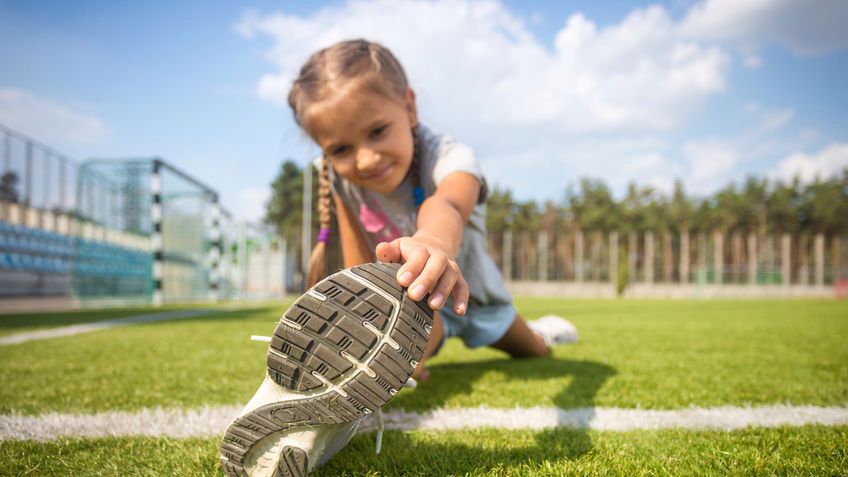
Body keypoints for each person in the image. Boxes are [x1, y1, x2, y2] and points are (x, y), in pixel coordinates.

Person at [219, 39, 577, 477]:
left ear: (408, 107)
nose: (365, 159)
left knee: (535, 355)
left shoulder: (453, 157)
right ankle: (299, 434)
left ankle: (545, 332)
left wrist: (433, 246)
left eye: (375, 132)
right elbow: (357, 268)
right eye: (341, 149)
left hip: (477, 299)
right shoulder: (337, 180)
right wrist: (359, 321)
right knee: (378, 366)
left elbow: (447, 206)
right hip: (417, 301)